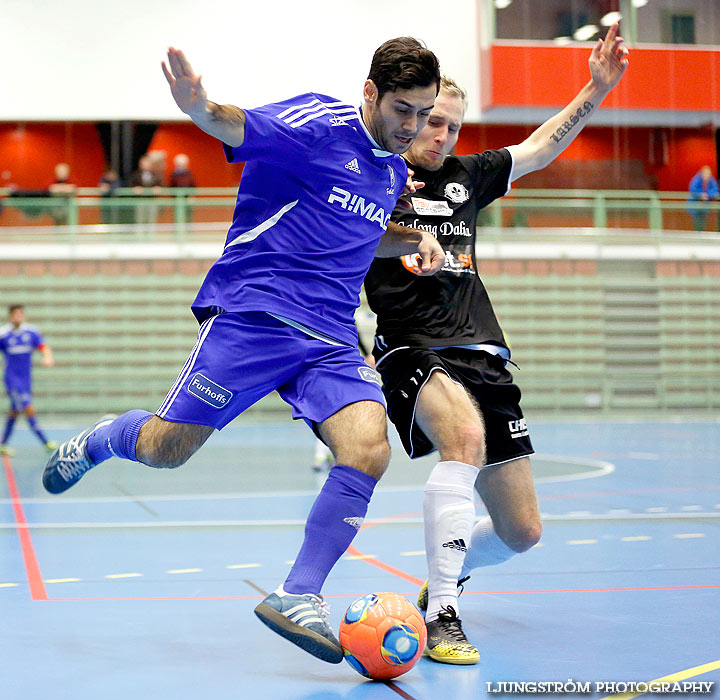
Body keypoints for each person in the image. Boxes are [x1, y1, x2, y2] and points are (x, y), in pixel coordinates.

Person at [42, 38, 444, 664]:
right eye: (403, 110)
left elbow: (360, 235)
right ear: (371, 93)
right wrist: (200, 107)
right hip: (257, 314)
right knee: (165, 450)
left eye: (423, 113)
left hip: (331, 335)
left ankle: (297, 593)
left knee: (368, 450)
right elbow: (236, 123)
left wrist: (415, 240)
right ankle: (105, 438)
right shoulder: (316, 127)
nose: (413, 126)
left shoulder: (392, 168)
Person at [364, 23, 629, 665]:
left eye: (450, 124)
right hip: (412, 348)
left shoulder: (469, 178)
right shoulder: (370, 176)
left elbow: (538, 148)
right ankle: (445, 612)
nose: (439, 133)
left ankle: (447, 573)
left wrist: (595, 90)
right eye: (429, 120)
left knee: (522, 532)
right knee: (461, 440)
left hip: (485, 354)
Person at [0, 305, 58, 456]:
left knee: (14, 411)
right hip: (12, 380)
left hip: (26, 380)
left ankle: (3, 444)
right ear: (10, 317)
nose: (18, 317)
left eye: (20, 314)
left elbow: (43, 347)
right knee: (28, 408)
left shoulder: (31, 332)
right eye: (15, 315)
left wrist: (47, 357)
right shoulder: (4, 334)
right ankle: (46, 442)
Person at [687, 165, 719, 231]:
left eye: (708, 174)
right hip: (695, 206)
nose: (707, 175)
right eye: (705, 173)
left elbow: (715, 190)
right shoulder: (696, 179)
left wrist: (707, 195)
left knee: (703, 222)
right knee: (697, 222)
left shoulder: (711, 180)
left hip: (705, 206)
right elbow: (692, 190)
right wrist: (701, 195)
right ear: (702, 173)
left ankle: (701, 235)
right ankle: (697, 236)